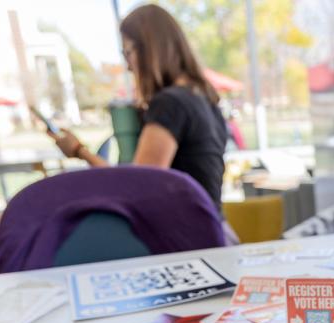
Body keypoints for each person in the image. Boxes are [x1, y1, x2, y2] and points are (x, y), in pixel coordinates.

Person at [49, 4, 227, 210]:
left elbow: (136, 188)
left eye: (127, 52)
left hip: (191, 236)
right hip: (215, 228)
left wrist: (80, 151)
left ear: (150, 49)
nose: (127, 65)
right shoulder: (204, 98)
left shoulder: (170, 104)